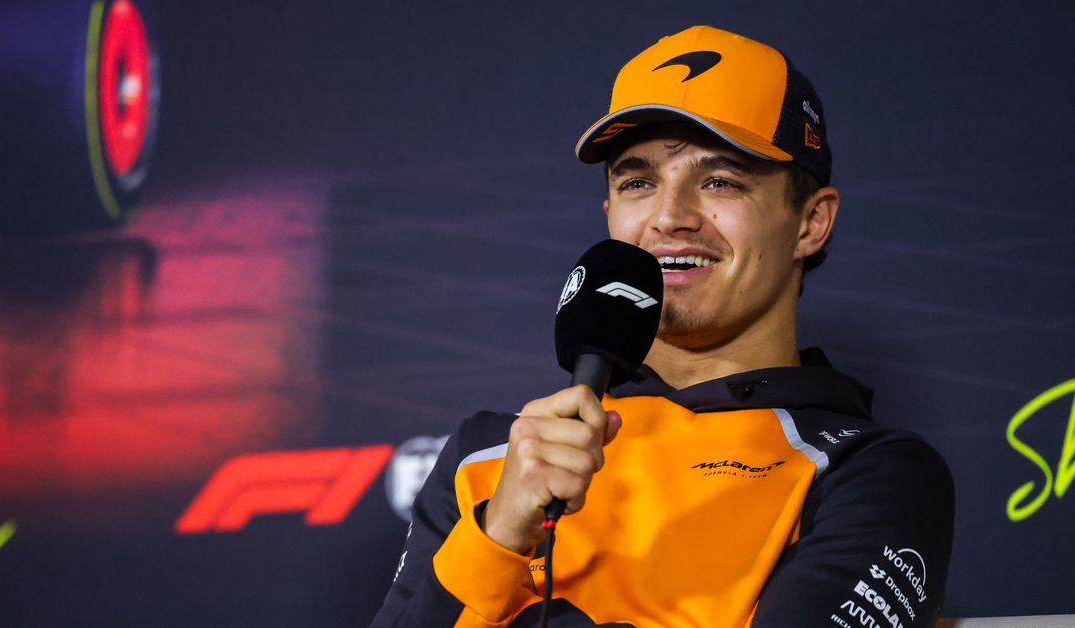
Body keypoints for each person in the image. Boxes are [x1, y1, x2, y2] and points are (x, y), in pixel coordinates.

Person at [370, 25, 954, 628]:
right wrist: (498, 534)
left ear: (811, 222)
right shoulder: (489, 454)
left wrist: (500, 604)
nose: (669, 217)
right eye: (638, 183)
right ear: (610, 214)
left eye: (720, 180)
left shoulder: (871, 471)